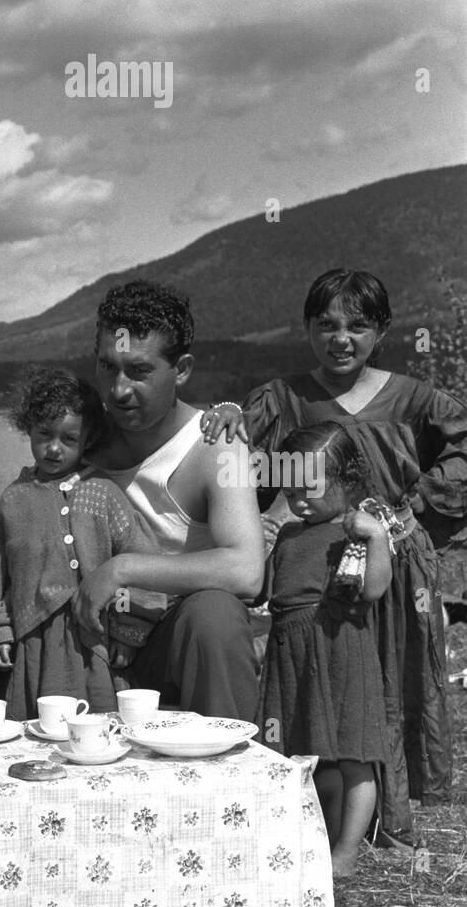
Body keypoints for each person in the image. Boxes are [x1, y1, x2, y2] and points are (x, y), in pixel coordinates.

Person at [200, 268, 467, 848]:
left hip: (391, 563)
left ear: (382, 330)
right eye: (326, 325)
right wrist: (225, 415)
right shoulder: (282, 398)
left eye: (357, 325)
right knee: (326, 690)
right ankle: (321, 820)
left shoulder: (416, 398)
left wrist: (416, 504)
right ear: (307, 328)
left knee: (388, 686)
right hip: (318, 574)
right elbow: (243, 462)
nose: (340, 338)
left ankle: (389, 821)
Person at [74, 279, 265, 721]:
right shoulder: (76, 439)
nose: (118, 390)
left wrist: (122, 569)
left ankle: (230, 774)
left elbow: (247, 570)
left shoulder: (215, 447)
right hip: (86, 641)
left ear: (181, 369)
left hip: (173, 647)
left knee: (215, 614)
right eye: (107, 368)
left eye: (139, 372)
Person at [258, 423, 393, 877]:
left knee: (354, 755)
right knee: (294, 749)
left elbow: (373, 590)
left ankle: (347, 851)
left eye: (309, 489)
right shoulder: (290, 535)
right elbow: (268, 595)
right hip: (292, 655)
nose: (299, 500)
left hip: (342, 653)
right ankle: (295, 840)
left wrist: (376, 538)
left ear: (348, 482)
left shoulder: (356, 531)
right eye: (290, 491)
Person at [0, 366, 152, 720]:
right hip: (35, 646)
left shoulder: (103, 494)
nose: (55, 448)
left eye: (69, 439)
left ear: (88, 440)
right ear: (27, 428)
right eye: (44, 434)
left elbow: (141, 565)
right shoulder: (13, 501)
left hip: (97, 642)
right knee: (40, 729)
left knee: (102, 727)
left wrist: (130, 629)